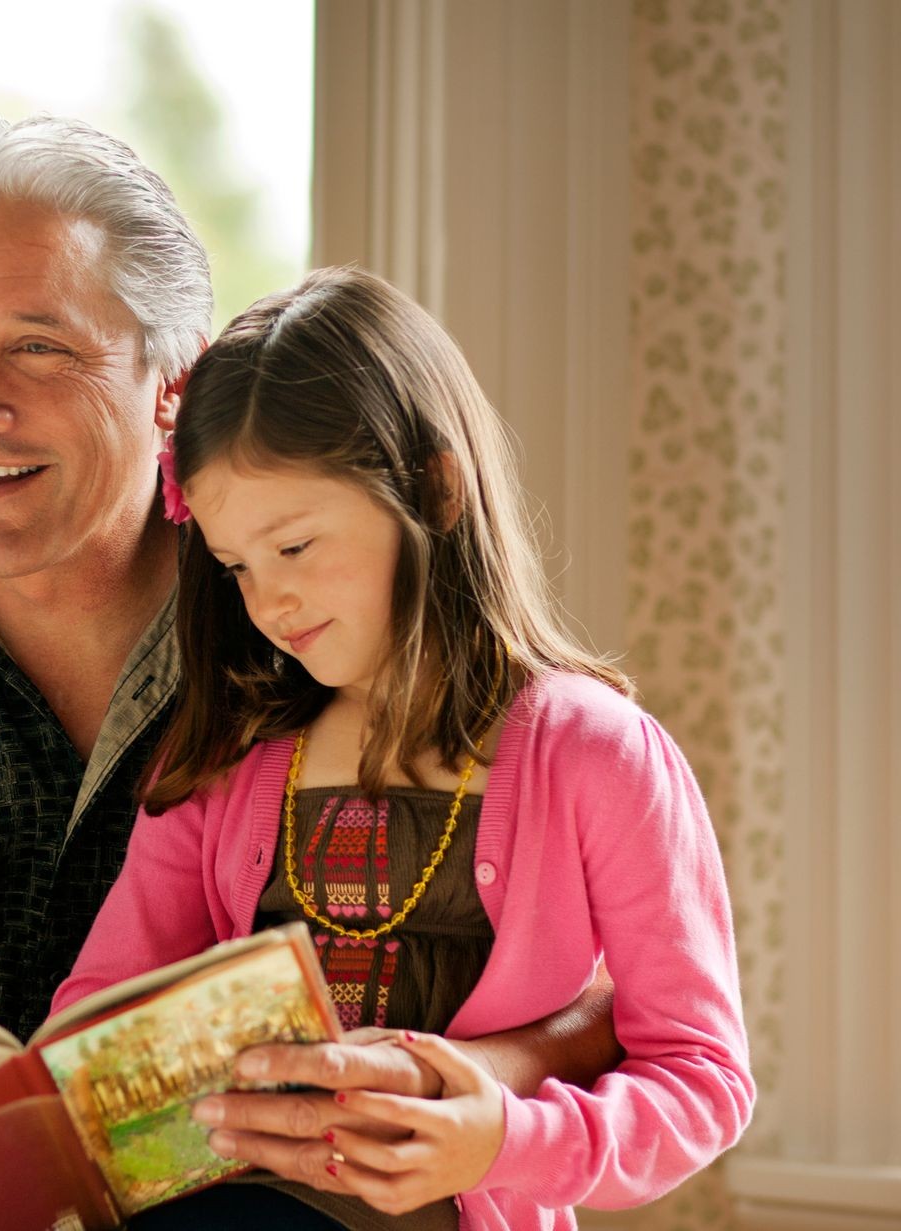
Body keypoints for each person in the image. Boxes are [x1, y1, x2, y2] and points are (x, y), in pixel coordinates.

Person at [0, 114, 625, 1231]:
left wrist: (448, 1083)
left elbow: (597, 984)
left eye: (39, 346)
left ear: (176, 382)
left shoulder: (314, 614)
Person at [52, 266, 754, 1231]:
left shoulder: (596, 753)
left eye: (294, 547)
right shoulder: (219, 760)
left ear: (433, 487)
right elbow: (92, 1021)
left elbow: (702, 1076)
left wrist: (503, 1136)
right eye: (235, 566)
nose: (268, 603)